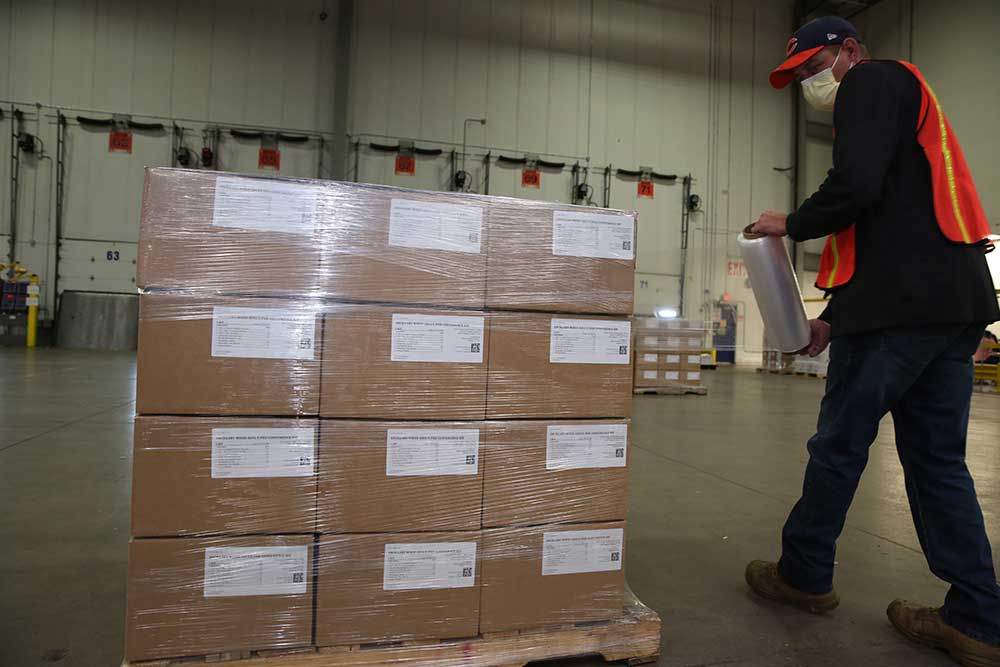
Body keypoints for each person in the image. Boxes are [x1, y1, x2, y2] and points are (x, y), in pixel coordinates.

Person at [744, 16, 1000, 667]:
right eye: (797, 75)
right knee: (938, 461)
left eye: (811, 66)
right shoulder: (908, 98)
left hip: (901, 313)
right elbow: (890, 228)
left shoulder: (869, 84)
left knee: (838, 444)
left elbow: (855, 188)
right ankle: (977, 617)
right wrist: (836, 312)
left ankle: (803, 574)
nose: (808, 81)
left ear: (848, 50)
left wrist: (792, 221)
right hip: (954, 306)